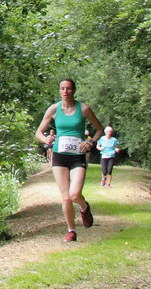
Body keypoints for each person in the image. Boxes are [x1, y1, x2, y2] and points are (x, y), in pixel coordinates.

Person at [35, 78, 104, 242]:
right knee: (65, 196)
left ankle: (84, 206)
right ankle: (71, 231)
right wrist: (46, 141)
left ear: (74, 90)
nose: (65, 92)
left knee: (74, 194)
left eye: (69, 89)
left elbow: (99, 129)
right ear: (59, 91)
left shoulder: (84, 109)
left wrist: (91, 142)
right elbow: (38, 132)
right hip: (59, 155)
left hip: (77, 156)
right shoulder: (54, 109)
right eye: (62, 89)